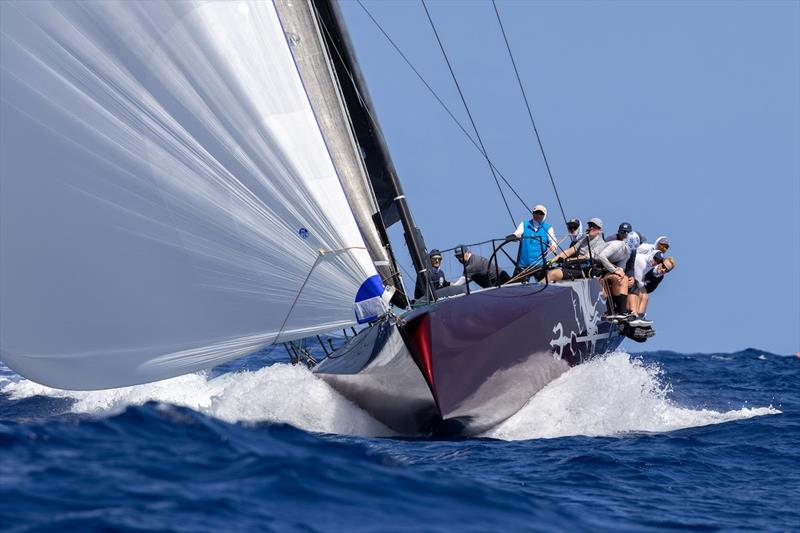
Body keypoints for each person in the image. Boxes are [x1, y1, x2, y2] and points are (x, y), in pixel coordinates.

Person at [595, 232, 640, 320]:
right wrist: (615, 270)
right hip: (594, 264)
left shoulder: (628, 252)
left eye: (631, 249)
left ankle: (621, 312)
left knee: (622, 278)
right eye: (629, 247)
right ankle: (611, 311)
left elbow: (621, 268)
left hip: (603, 268)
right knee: (616, 277)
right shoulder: (617, 245)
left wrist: (620, 273)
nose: (629, 250)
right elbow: (601, 256)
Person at [547, 217, 607, 282]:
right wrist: (551, 261)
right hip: (575, 267)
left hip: (586, 270)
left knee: (553, 274)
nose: (591, 228)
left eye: (594, 226)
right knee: (548, 272)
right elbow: (570, 251)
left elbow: (586, 257)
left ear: (600, 229)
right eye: (590, 226)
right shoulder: (584, 238)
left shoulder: (601, 243)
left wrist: (568, 260)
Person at [509, 204, 557, 275]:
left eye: (541, 213)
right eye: (536, 213)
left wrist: (553, 246)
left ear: (544, 215)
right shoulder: (524, 224)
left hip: (539, 266)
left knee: (545, 283)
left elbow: (553, 241)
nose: (538, 215)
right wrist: (514, 237)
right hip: (523, 266)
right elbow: (517, 234)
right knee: (513, 285)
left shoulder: (548, 228)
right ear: (533, 213)